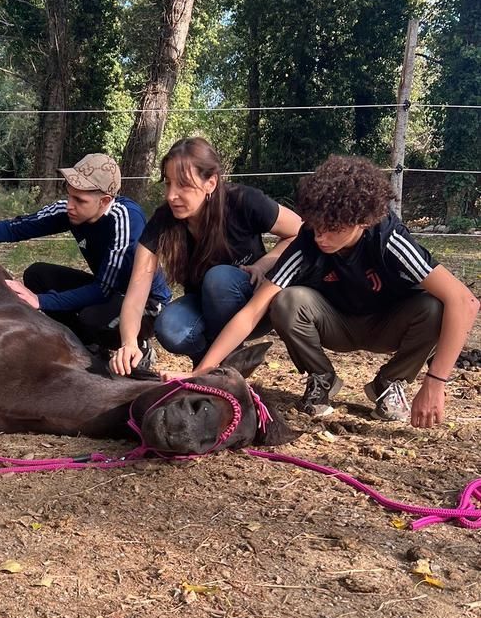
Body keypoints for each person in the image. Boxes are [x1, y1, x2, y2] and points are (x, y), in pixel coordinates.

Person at [189, 154, 480, 426]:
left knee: (436, 306)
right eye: (316, 226)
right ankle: (321, 377)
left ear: (362, 221)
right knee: (286, 300)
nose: (321, 237)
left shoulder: (388, 239)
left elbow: (464, 301)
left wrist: (435, 381)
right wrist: (201, 372)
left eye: (333, 228)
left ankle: (391, 382)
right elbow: (252, 312)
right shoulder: (308, 242)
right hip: (335, 323)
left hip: (389, 324)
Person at [0, 154, 171, 362]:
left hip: (144, 303)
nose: (70, 204)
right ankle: (89, 346)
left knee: (90, 317)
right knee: (38, 274)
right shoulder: (70, 211)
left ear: (104, 201)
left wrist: (40, 301)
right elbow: (15, 228)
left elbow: (102, 290)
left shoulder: (126, 221)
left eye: (79, 199)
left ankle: (140, 345)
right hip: (107, 288)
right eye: (69, 194)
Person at [109, 137, 302, 375]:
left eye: (184, 185)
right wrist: (128, 342)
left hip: (255, 305)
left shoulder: (243, 201)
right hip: (205, 306)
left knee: (218, 278)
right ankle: (210, 369)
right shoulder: (163, 220)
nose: (171, 195)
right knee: (170, 327)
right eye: (168, 184)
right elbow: (137, 288)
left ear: (211, 182)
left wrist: (264, 264)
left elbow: (299, 233)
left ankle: (222, 364)